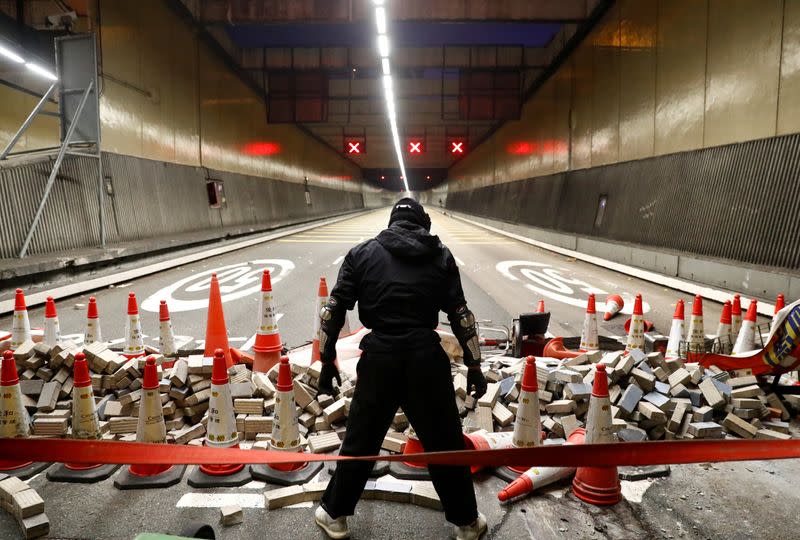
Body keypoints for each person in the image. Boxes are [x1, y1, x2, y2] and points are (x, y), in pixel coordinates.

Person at [313, 197, 488, 540]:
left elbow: (333, 310)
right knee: (443, 443)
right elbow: (461, 316)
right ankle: (466, 523)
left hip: (380, 359)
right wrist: (475, 366)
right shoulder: (440, 256)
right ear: (424, 225)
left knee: (361, 441)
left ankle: (334, 515)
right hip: (426, 360)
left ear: (391, 223)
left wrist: (326, 360)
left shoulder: (362, 254)